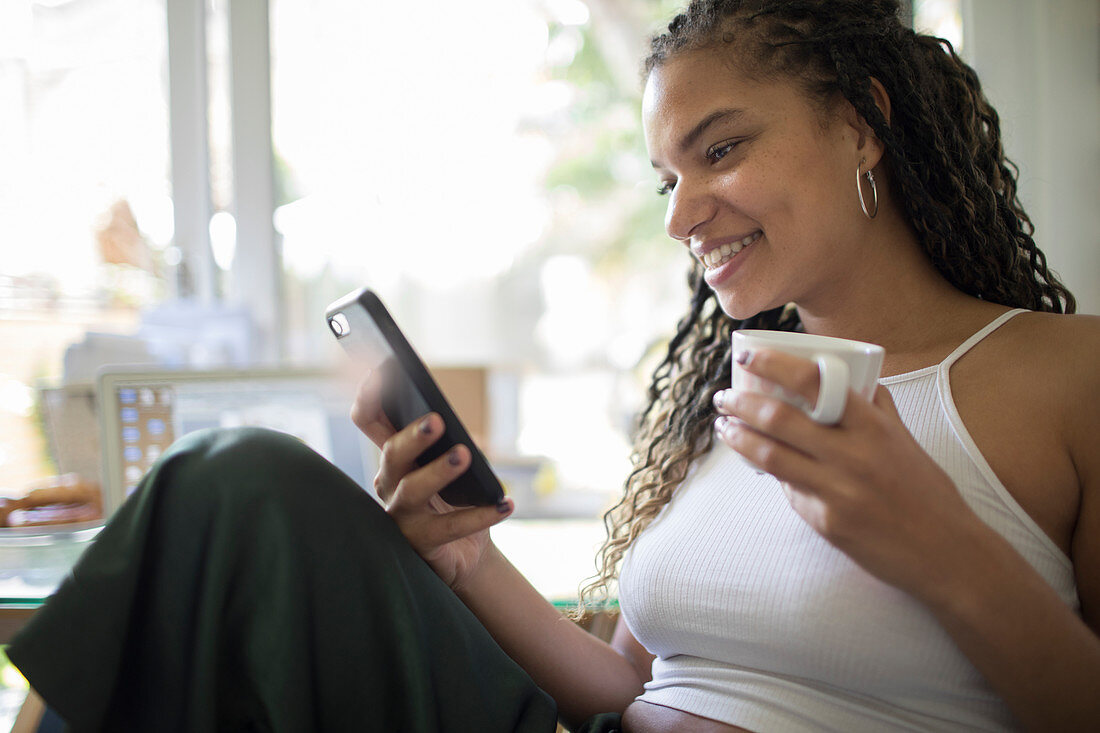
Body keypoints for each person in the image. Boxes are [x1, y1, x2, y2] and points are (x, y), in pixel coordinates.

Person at [8, 0, 1098, 731]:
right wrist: (466, 559)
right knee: (236, 484)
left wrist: (938, 542)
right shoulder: (732, 403)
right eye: (664, 176)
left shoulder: (1065, 372)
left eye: (719, 150)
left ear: (862, 124)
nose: (680, 214)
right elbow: (624, 683)